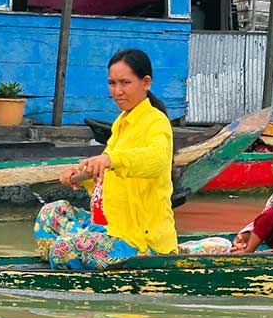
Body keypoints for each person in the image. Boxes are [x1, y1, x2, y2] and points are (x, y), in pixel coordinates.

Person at [33, 48, 177, 270]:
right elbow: (111, 180)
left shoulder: (156, 122)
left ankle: (66, 261)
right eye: (112, 83)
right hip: (110, 227)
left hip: (138, 240)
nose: (117, 91)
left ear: (146, 83)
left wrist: (110, 159)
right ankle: (66, 262)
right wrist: (82, 175)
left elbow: (156, 160)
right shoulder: (122, 122)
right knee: (51, 214)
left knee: (64, 249)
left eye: (125, 82)